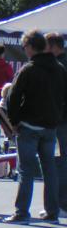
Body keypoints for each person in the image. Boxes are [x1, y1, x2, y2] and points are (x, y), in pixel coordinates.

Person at [3, 30, 67, 224]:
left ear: (31, 47)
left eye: (25, 47)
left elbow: (13, 97)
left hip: (29, 126)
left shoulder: (28, 69)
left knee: (26, 170)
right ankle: (52, 211)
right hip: (50, 126)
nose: (24, 50)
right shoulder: (59, 68)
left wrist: (14, 122)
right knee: (50, 169)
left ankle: (22, 212)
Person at [44, 32, 67, 216]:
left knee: (60, 162)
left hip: (60, 120)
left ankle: (61, 204)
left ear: (53, 46)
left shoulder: (59, 66)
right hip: (60, 119)